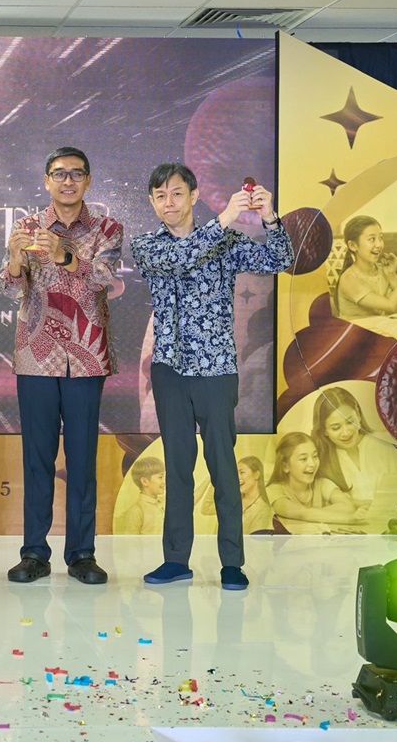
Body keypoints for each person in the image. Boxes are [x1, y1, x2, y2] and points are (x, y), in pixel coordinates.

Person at [130, 162, 293, 591]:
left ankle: (232, 563)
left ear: (194, 195)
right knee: (177, 466)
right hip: (169, 370)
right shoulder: (148, 245)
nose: (169, 203)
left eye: (177, 193)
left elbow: (280, 259)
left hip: (217, 369)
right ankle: (175, 560)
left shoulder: (227, 240)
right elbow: (183, 259)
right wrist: (224, 219)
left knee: (223, 466)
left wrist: (269, 217)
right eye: (160, 196)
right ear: (152, 202)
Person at [1, 145, 123, 585]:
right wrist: (16, 261)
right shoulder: (26, 227)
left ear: (88, 181)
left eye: (76, 174)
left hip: (86, 359)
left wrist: (64, 255)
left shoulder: (108, 228)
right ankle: (34, 552)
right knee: (37, 459)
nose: (67, 181)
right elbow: (11, 289)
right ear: (46, 180)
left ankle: (82, 554)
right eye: (59, 173)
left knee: (82, 459)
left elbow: (105, 279)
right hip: (36, 356)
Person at [310, 386, 397, 508]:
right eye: (336, 428)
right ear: (324, 431)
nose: (346, 432)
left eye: (350, 422)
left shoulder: (384, 444)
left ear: (359, 415)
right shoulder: (322, 462)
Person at [266, 432, 368, 526]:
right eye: (303, 459)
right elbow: (301, 514)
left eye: (315, 456)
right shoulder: (274, 491)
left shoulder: (322, 484)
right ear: (285, 466)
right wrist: (348, 519)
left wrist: (313, 514)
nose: (312, 464)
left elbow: (347, 506)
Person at [334, 215, 397, 317]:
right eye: (372, 239)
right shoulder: (348, 279)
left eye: (380, 238)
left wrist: (392, 276)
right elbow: (391, 305)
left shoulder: (384, 271)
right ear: (353, 245)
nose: (379, 245)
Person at [199, 456, 274, 534]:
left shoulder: (263, 510)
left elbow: (255, 540)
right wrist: (216, 480)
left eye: (242, 472)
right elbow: (206, 509)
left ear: (256, 475)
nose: (237, 477)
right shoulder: (233, 499)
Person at [115, 457, 166, 535]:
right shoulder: (136, 511)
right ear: (145, 481)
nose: (164, 482)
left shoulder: (163, 504)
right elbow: (130, 541)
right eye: (160, 477)